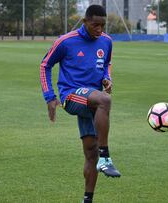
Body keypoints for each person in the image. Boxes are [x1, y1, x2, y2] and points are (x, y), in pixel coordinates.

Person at [39, 4, 121, 203]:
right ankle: (106, 157)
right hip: (71, 96)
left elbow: (106, 64)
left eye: (103, 25)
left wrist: (106, 78)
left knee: (90, 154)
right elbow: (45, 65)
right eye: (95, 25)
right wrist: (50, 97)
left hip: (91, 101)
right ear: (85, 22)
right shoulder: (66, 42)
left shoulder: (107, 42)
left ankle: (87, 199)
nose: (99, 30)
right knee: (105, 100)